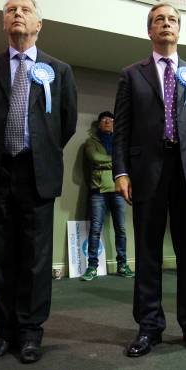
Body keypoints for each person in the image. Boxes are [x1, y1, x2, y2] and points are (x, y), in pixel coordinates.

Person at [113, 2, 186, 357]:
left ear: (179, 29)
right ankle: (149, 327)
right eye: (159, 20)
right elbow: (123, 129)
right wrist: (121, 171)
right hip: (147, 174)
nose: (166, 24)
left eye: (172, 19)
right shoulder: (131, 74)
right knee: (147, 254)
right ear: (150, 30)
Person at [0, 0, 77, 363]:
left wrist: (41, 151)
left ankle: (31, 333)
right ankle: (5, 332)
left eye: (25, 10)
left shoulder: (59, 70)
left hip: (37, 174)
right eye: (10, 11)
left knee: (35, 258)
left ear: (38, 24)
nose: (17, 14)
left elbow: (66, 123)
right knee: (1, 257)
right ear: (4, 23)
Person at [81, 111, 133, 281]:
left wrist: (112, 163)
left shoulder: (121, 142)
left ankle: (122, 265)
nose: (108, 122)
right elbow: (95, 158)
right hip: (98, 190)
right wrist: (116, 162)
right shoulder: (91, 142)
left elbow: (127, 160)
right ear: (99, 124)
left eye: (111, 120)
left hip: (118, 190)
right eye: (104, 120)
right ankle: (92, 267)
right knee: (95, 229)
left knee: (121, 229)